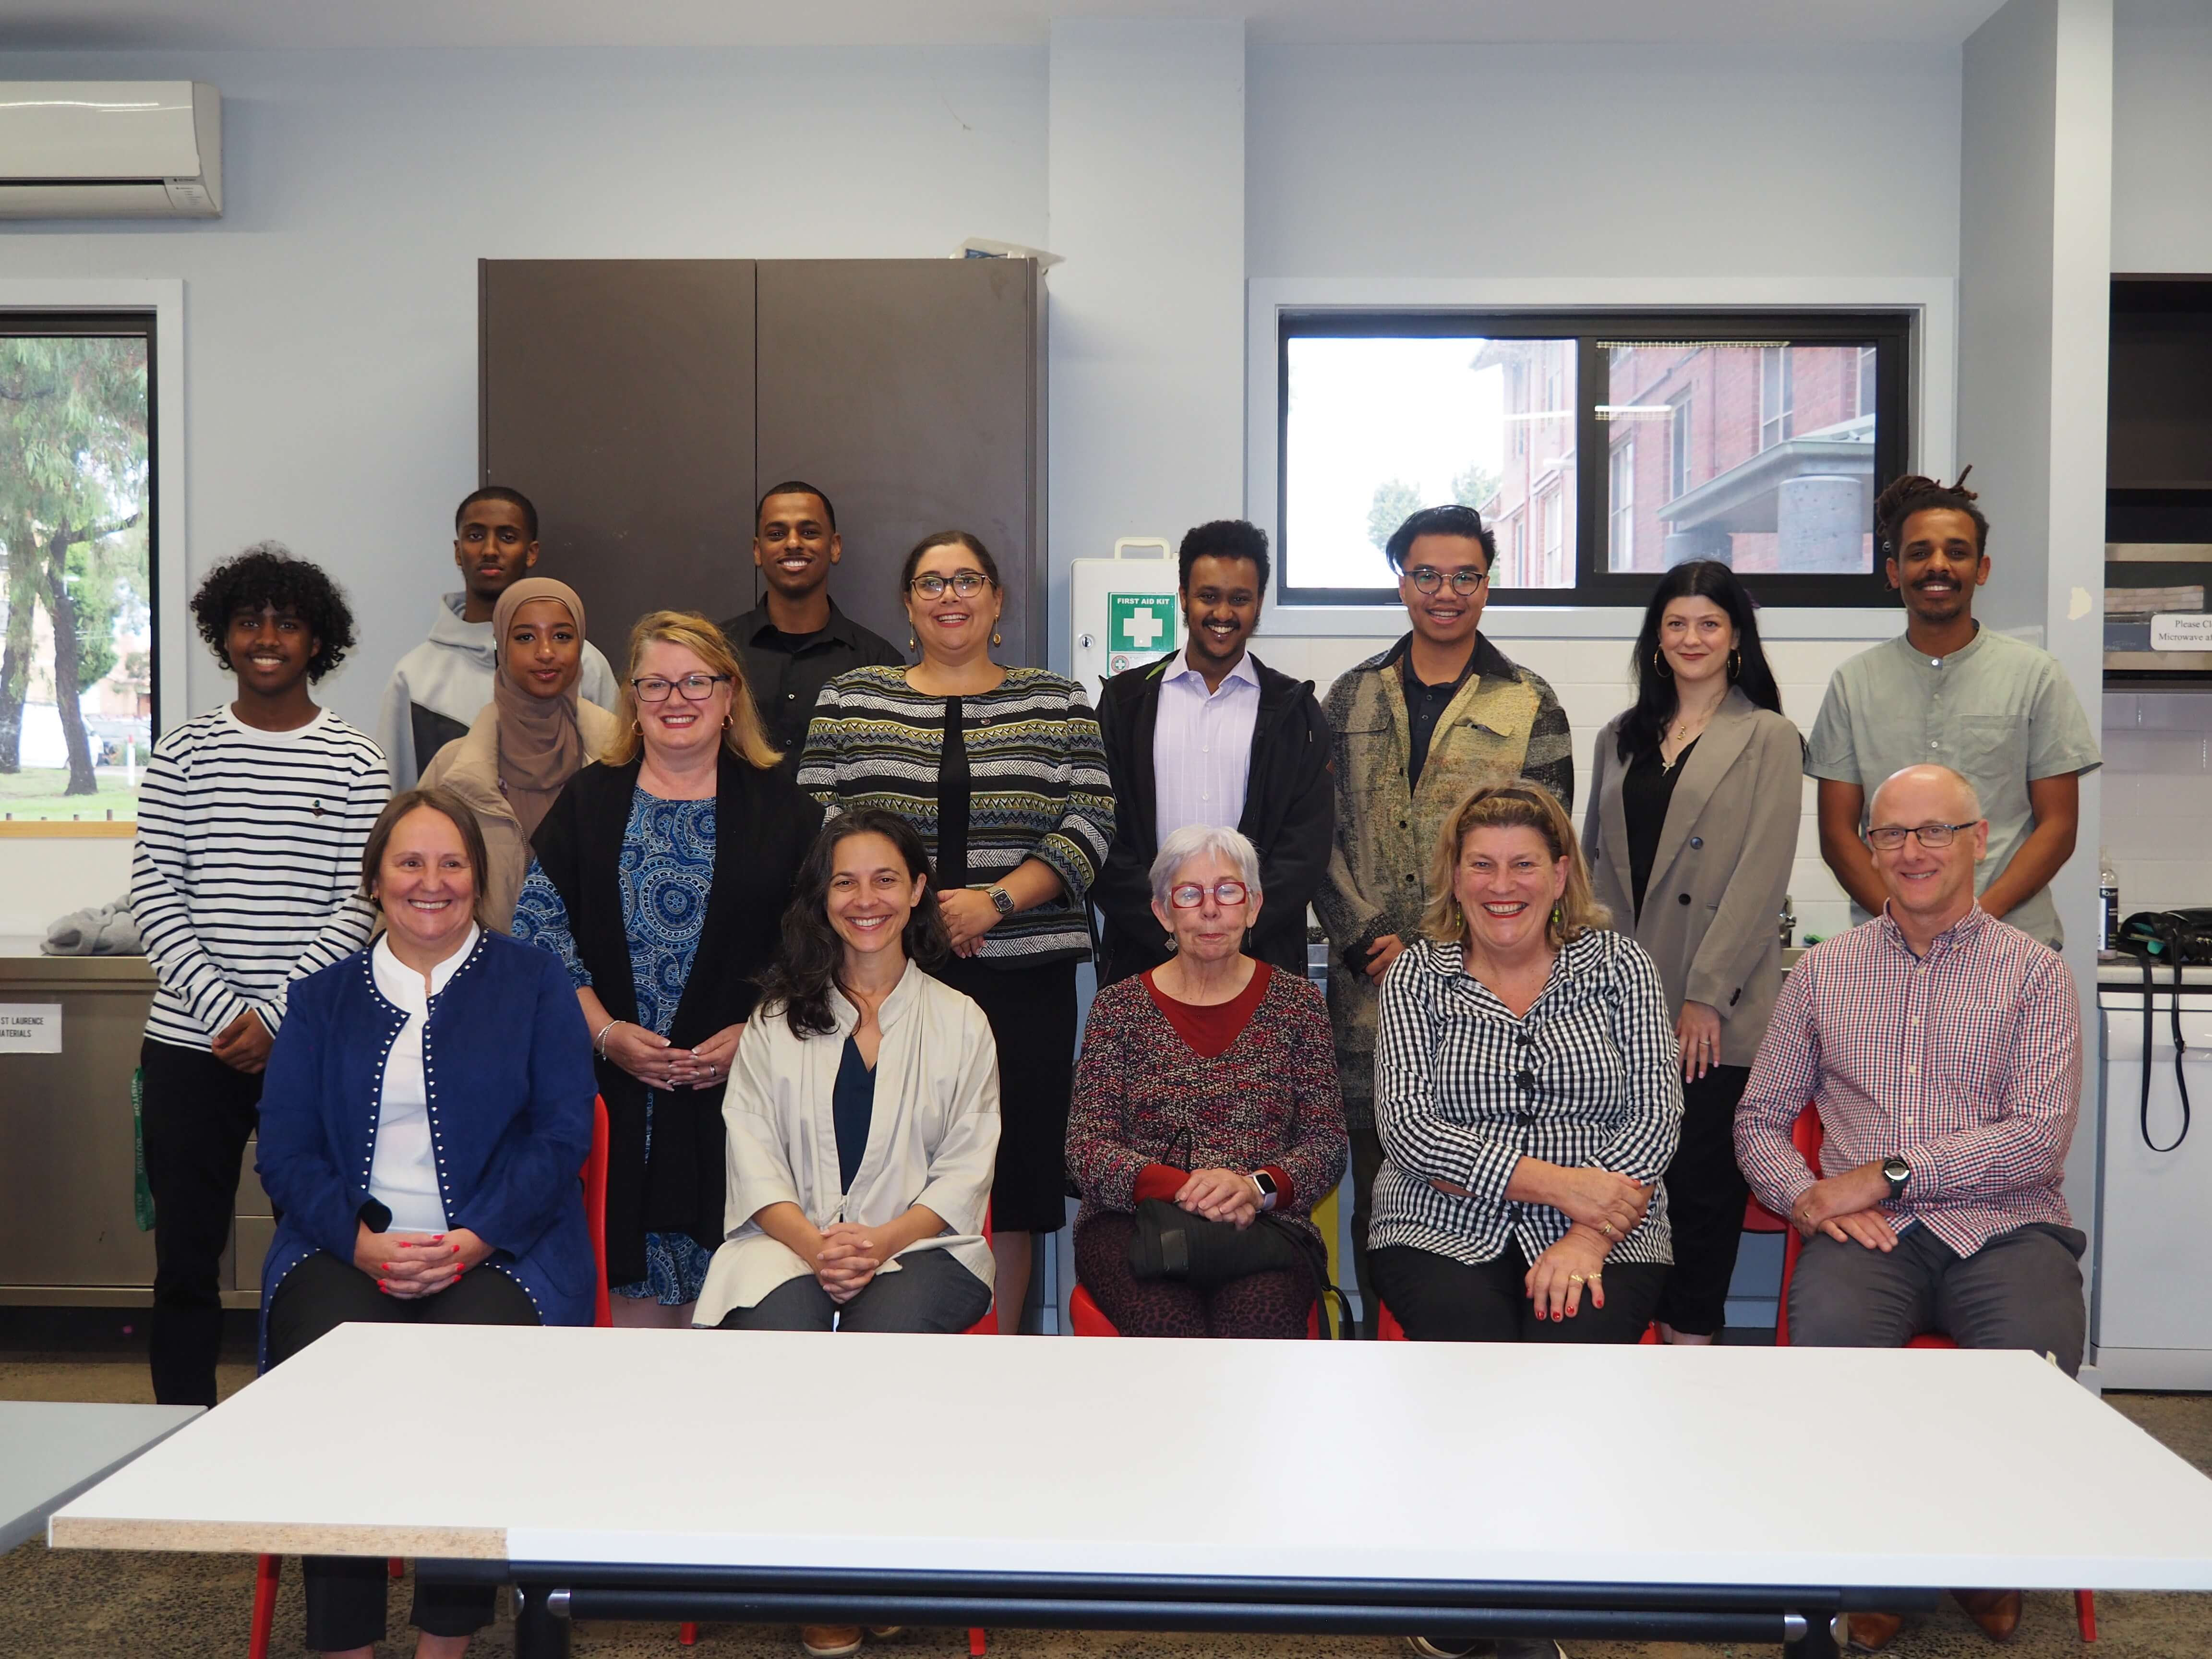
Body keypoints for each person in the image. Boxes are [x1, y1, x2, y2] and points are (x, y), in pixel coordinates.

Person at [1735, 763, 2084, 1651]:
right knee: (1838, 1361)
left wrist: (1889, 1172)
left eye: (1934, 830)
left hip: (2005, 1226)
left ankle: (1982, 1557)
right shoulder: (1821, 973)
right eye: (1891, 833)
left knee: (2029, 1368)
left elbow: (2037, 1137)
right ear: (1869, 851)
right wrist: (1808, 1200)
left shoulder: (2036, 974)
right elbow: (1760, 1120)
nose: (1912, 850)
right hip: (1865, 1240)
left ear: (1978, 840)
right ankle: (1879, 1564)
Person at [254, 787, 596, 1659]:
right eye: (410, 862)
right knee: (330, 1377)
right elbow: (286, 1155)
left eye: (452, 864)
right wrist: (361, 1242)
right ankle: (344, 1646)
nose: (431, 882)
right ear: (375, 878)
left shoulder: (534, 981)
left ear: (478, 882)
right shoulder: (321, 997)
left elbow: (562, 1134)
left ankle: (444, 1642)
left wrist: (475, 1238)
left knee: (467, 1371)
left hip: (501, 1248)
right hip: (343, 1246)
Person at [799, 530, 1113, 1331]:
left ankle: (999, 1343)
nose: (950, 596)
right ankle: (891, 1329)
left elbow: (1093, 820)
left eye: (967, 580)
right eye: (931, 583)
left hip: (1022, 979)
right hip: (881, 975)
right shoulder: (851, 698)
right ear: (907, 604)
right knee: (887, 1158)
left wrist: (994, 903)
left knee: (1008, 1172)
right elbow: (815, 816)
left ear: (997, 600)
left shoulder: (1059, 699)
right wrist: (917, 910)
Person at [131, 543, 388, 1407]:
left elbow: (359, 907)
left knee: (314, 1253)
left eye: (287, 623)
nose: (267, 638)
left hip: (308, 1049)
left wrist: (276, 1017)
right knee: (185, 1261)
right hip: (187, 1048)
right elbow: (154, 892)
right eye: (249, 622)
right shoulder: (183, 754)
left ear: (319, 641)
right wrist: (224, 1011)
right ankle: (174, 1434)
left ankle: (300, 1425)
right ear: (223, 637)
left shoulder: (357, 761)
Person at [513, 613, 822, 1327]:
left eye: (695, 682)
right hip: (616, 1097)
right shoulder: (590, 800)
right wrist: (604, 1033)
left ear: (728, 696)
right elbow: (537, 929)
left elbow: (824, 946)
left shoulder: (790, 812)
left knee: (733, 1323)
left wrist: (758, 1034)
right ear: (632, 699)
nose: (675, 699)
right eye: (655, 684)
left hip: (745, 1097)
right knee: (630, 1330)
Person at [1313, 504, 1575, 1333]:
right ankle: (1380, 1350)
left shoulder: (1530, 703)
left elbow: (1543, 851)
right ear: (1401, 583)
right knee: (1377, 1190)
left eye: (1464, 575)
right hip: (1365, 996)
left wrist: (1440, 952)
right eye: (1426, 574)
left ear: (1486, 586)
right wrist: (1360, 937)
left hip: (1483, 999)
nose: (1445, 592)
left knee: (1478, 1182)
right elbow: (1313, 833)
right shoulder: (1348, 696)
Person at [1583, 560, 1803, 1346]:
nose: (1690, 638)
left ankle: (1692, 1345)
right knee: (1623, 1181)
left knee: (1700, 1188)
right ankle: (1623, 1341)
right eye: (1674, 623)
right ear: (1655, 637)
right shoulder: (1620, 738)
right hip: (1620, 1002)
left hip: (1714, 1005)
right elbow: (1591, 872)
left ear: (1736, 637)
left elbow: (1759, 876)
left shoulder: (1769, 737)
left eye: (1708, 623)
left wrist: (1705, 994)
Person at [698, 809, 997, 1336]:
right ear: (823, 898)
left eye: (885, 880)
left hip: (921, 1250)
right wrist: (818, 1248)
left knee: (884, 1342)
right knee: (779, 1340)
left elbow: (964, 1173)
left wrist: (878, 1245)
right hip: (786, 1247)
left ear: (916, 890)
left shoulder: (962, 1022)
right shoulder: (774, 1022)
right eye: (845, 883)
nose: (865, 901)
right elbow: (754, 1163)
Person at [1067, 824, 1347, 1337]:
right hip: (1134, 1223)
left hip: (1266, 1225)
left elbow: (1326, 1144)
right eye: (1190, 894)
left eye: (1228, 891)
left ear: (1254, 906)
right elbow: (1087, 1148)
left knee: (1258, 1322)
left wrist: (1254, 1188)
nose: (1211, 910)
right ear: (1163, 912)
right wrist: (1183, 1189)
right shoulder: (1117, 1007)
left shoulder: (1299, 1005)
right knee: (1164, 1322)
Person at [1808, 469, 2100, 950]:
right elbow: (1837, 833)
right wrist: (1902, 921)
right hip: (1887, 950)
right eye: (1919, 553)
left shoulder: (2037, 677)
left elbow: (2059, 825)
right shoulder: (1853, 684)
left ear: (1982, 569)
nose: (1938, 566)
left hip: (2011, 944)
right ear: (1894, 572)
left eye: (1957, 552)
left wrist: (1978, 918)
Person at [1092, 519, 1332, 986]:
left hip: (1260, 962)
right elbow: (1102, 830)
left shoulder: (1294, 712)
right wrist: (1167, 928)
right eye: (1208, 596)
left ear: (1258, 604)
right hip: (1145, 959)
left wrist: (1236, 931)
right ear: (1183, 596)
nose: (1223, 613)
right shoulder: (1124, 704)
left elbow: (1305, 847)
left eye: (1239, 599)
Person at [377, 485, 620, 790]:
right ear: (458, 550)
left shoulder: (584, 662)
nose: (490, 550)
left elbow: (618, 777)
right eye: (476, 536)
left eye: (507, 537)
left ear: (531, 553)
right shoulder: (413, 677)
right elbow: (398, 798)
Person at [419, 577, 619, 929]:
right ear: (501, 647)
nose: (545, 652)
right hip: (483, 975)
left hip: (596, 981)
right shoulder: (452, 770)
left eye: (562, 636)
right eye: (525, 637)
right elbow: (409, 885)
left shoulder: (624, 760)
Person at [717, 480, 904, 768]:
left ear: (835, 547)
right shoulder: (716, 652)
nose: (793, 544)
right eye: (777, 534)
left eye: (809, 532)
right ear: (758, 551)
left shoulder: (880, 663)